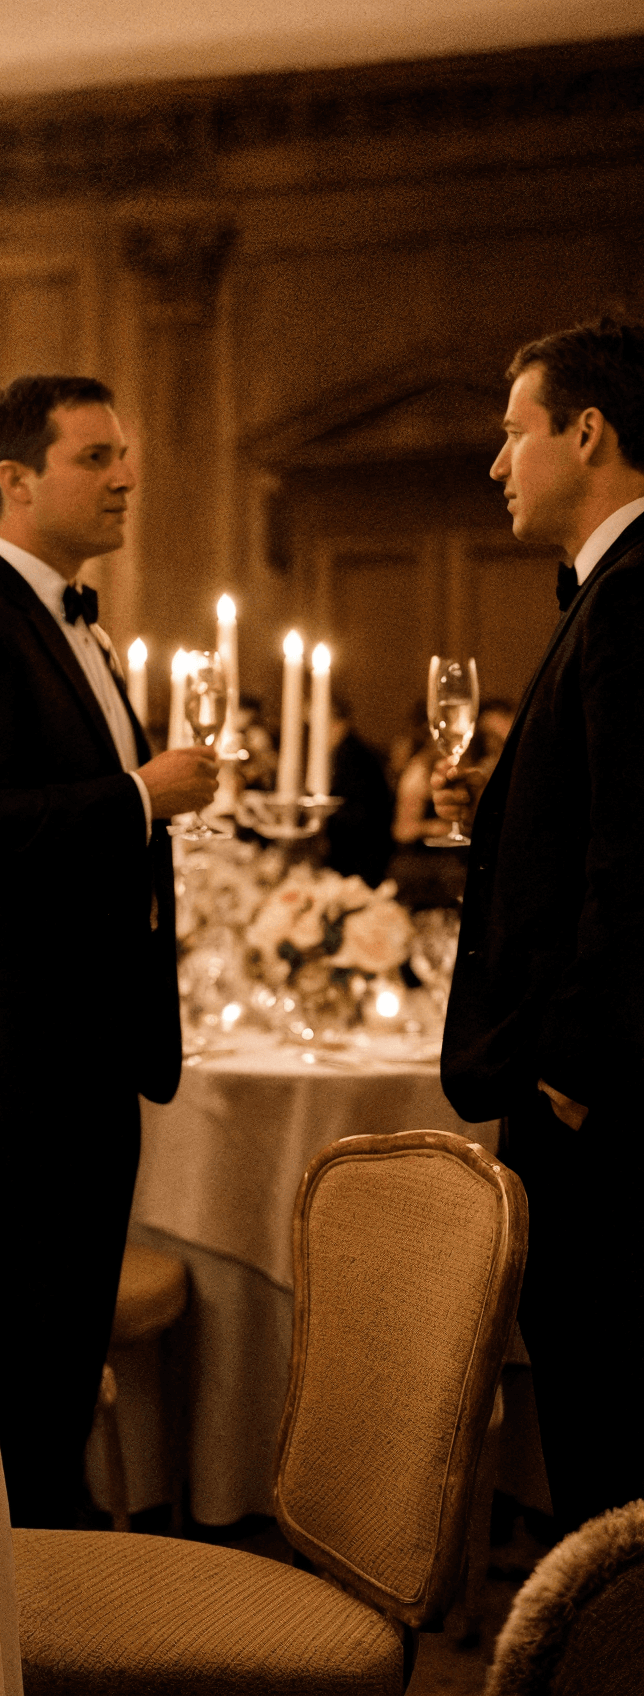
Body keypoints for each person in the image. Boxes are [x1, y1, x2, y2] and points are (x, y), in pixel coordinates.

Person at [0, 375, 219, 1528]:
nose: (126, 473)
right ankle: (10, 1590)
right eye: (94, 456)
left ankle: (56, 1566)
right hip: (4, 1066)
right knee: (9, 1361)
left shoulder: (73, 622)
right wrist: (140, 791)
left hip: (79, 1052)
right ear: (13, 482)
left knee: (60, 1359)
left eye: (123, 452)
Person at [434, 316, 644, 1537]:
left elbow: (635, 862)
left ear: (586, 431)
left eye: (514, 432)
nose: (497, 463)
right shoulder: (606, 594)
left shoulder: (630, 599)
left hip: (603, 1105)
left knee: (605, 1415)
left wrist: (569, 1067)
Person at [320, 696, 397, 887]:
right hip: (361, 852)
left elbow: (362, 812)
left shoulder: (352, 756)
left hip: (360, 855)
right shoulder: (349, 751)